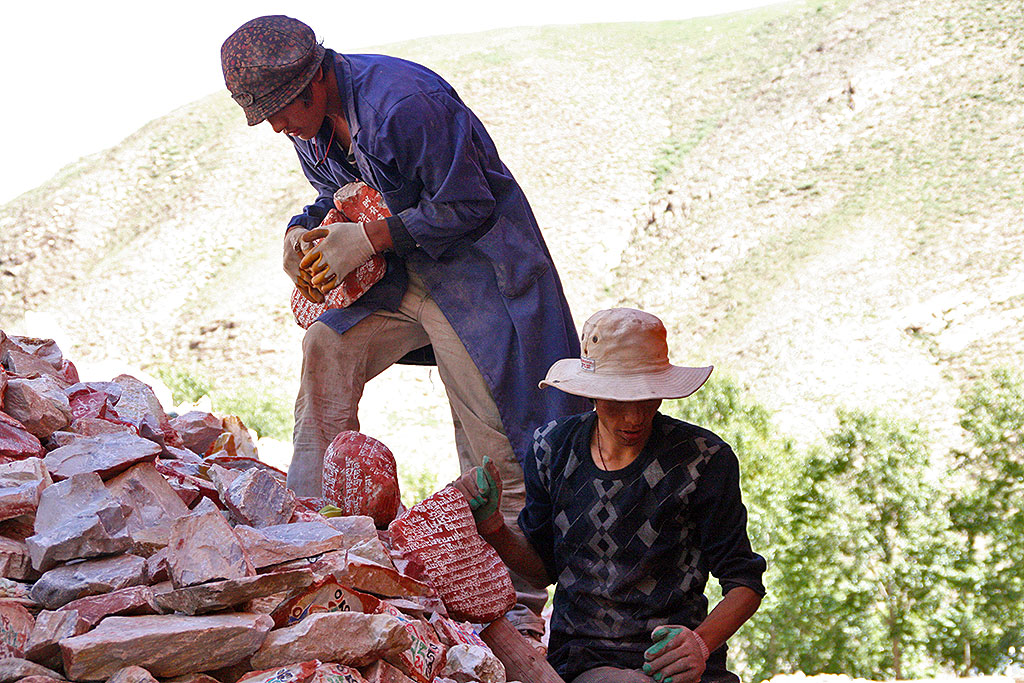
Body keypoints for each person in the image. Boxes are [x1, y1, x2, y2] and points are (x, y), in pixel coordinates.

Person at [220, 15, 587, 638]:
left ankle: (514, 607)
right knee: (325, 345)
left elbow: (468, 206)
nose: (277, 126)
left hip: (477, 274)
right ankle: (316, 537)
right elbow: (341, 194)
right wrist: (303, 233)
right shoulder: (308, 128)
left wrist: (369, 237)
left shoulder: (404, 104)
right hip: (402, 274)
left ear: (314, 82)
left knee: (492, 436)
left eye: (281, 110)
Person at [455, 308, 767, 683]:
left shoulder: (704, 460)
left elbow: (744, 582)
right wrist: (495, 531)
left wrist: (699, 645)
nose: (634, 418)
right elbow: (542, 572)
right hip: (583, 657)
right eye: (618, 402)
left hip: (677, 664)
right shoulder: (552, 449)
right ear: (592, 395)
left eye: (648, 399)